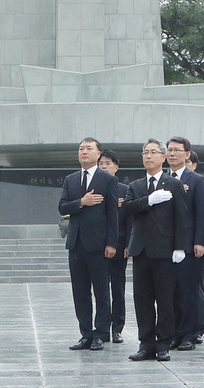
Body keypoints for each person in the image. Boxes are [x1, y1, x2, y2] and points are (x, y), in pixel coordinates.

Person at [123, 140, 188, 362]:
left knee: (165, 299)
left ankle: (164, 344)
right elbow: (127, 209)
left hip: (164, 250)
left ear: (163, 157)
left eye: (153, 152)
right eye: (145, 152)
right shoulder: (136, 186)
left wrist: (180, 246)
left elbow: (182, 217)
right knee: (142, 300)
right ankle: (146, 343)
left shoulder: (174, 184)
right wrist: (149, 200)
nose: (148, 156)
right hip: (141, 250)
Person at [58, 138, 118, 351]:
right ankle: (85, 334)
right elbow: (62, 206)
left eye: (89, 148)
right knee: (80, 292)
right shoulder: (71, 179)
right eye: (81, 148)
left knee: (102, 291)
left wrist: (112, 243)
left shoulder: (107, 179)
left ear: (98, 154)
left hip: (99, 245)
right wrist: (81, 203)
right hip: (76, 244)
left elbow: (113, 213)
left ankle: (101, 333)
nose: (84, 151)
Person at [166, 136, 204, 351]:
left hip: (191, 245)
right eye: (169, 150)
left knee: (190, 291)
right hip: (168, 245)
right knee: (172, 291)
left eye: (177, 150)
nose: (172, 154)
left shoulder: (197, 182)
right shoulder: (163, 180)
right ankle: (176, 332)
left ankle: (191, 333)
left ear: (187, 155)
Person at [97, 149, 129, 344]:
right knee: (101, 290)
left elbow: (129, 219)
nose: (103, 166)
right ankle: (101, 328)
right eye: (101, 163)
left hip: (118, 247)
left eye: (107, 163)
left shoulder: (125, 190)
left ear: (116, 167)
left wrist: (127, 245)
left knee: (118, 288)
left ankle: (117, 328)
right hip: (97, 247)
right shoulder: (93, 188)